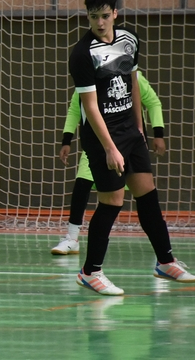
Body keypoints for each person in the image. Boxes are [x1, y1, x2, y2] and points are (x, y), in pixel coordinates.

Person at [67, 0, 195, 295]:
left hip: (130, 130)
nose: (99, 22)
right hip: (102, 137)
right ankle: (90, 271)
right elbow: (90, 107)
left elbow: (134, 82)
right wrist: (111, 148)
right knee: (112, 200)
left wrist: (139, 127)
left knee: (147, 193)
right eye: (93, 16)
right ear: (88, 17)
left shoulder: (129, 40)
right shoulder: (83, 55)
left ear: (115, 13)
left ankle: (165, 262)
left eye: (104, 16)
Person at [53, 70, 166, 255]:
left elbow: (153, 102)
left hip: (128, 142)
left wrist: (158, 134)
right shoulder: (88, 77)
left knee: (144, 197)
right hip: (99, 145)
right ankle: (72, 238)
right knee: (82, 185)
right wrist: (66, 140)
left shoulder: (133, 76)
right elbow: (75, 108)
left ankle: (162, 253)